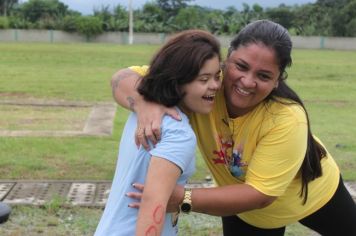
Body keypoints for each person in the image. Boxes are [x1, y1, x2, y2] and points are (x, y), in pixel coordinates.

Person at [111, 20, 356, 235]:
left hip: (315, 194)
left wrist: (182, 198)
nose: (247, 82)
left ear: (278, 80)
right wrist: (144, 103)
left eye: (263, 76)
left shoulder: (287, 118)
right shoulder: (205, 85)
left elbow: (260, 194)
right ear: (226, 59)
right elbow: (123, 78)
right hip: (243, 210)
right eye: (241, 66)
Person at [94, 29, 222, 236]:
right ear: (178, 81)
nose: (215, 86)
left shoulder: (143, 112)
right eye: (203, 79)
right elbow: (152, 203)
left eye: (217, 76)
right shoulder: (179, 134)